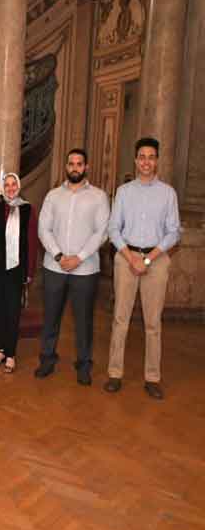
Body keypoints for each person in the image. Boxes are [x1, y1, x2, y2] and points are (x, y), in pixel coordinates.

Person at [105, 137, 180, 400]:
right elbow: (113, 229)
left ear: (156, 161)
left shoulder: (168, 193)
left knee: (153, 323)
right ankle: (115, 373)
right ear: (136, 161)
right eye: (142, 157)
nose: (146, 161)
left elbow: (173, 233)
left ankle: (152, 377)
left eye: (151, 157)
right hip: (126, 258)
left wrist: (147, 260)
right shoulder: (124, 192)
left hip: (156, 260)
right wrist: (131, 257)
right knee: (120, 319)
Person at [35, 149, 110, 385]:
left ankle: (84, 363)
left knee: (84, 319)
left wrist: (79, 257)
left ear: (86, 167)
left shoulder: (98, 197)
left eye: (79, 164)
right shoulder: (53, 196)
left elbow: (102, 231)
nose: (75, 167)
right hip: (54, 267)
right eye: (71, 163)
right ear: (66, 167)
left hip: (85, 269)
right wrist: (58, 255)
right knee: (51, 317)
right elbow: (43, 229)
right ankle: (47, 358)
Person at [0, 172, 38, 373]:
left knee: (13, 312)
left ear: (19, 187)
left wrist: (29, 271)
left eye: (14, 185)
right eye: (7, 185)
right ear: (3, 188)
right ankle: (1, 348)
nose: (10, 188)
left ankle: (11, 354)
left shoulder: (28, 209)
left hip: (16, 270)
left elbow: (31, 242)